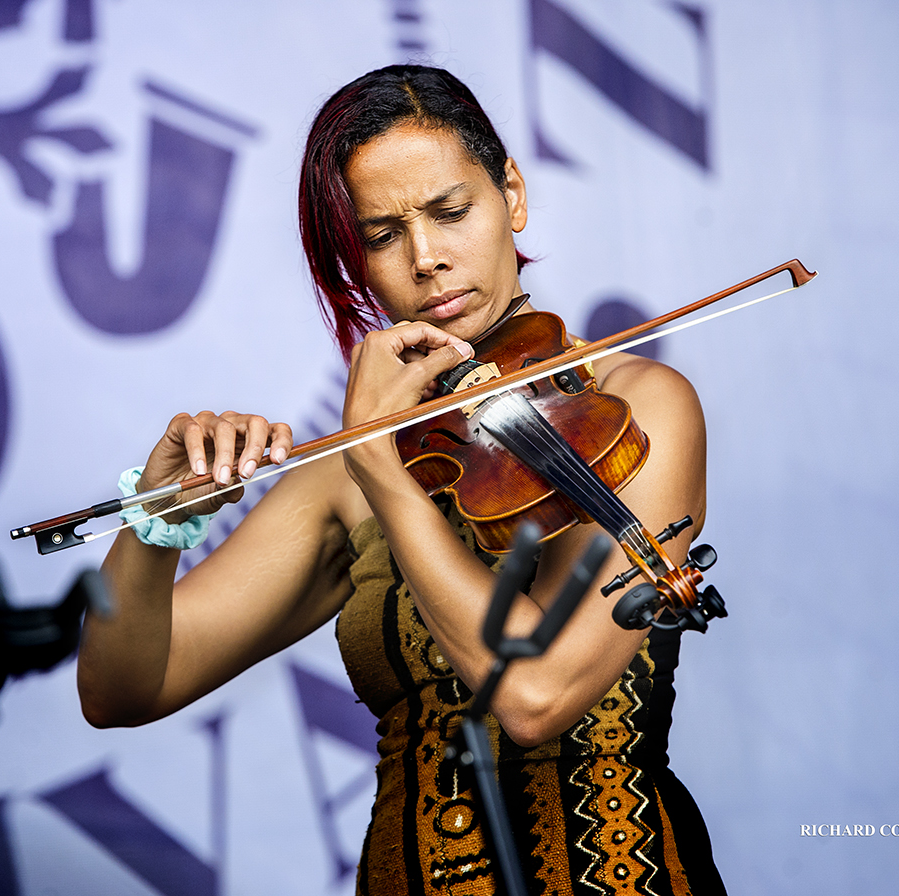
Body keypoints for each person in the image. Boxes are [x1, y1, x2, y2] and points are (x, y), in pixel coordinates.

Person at [77, 65, 725, 896]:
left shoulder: (636, 411)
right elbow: (124, 688)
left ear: (513, 198)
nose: (427, 260)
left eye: (452, 213)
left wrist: (381, 472)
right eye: (382, 236)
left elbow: (533, 694)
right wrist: (156, 525)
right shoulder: (355, 465)